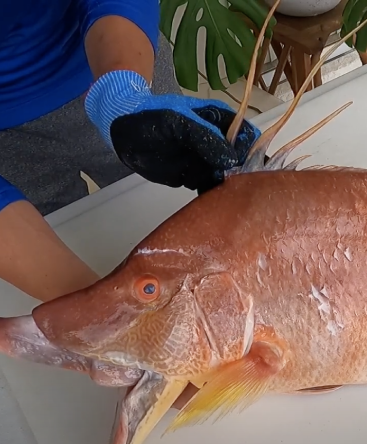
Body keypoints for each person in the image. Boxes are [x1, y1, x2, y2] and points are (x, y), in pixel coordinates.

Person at [0, 0, 261, 303]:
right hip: (10, 142)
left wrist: (121, 96)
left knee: (192, 220)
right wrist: (100, 312)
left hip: (117, 52)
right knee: (74, 239)